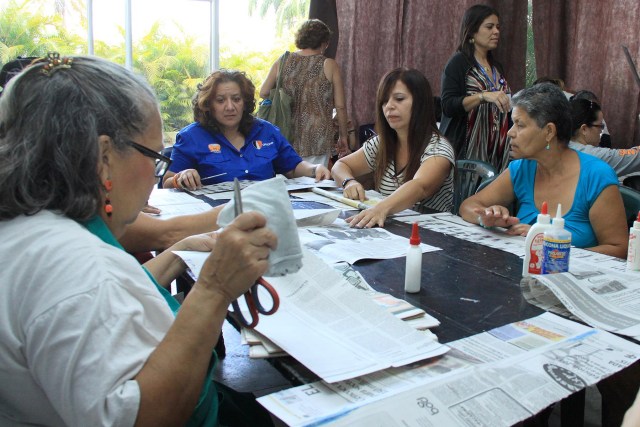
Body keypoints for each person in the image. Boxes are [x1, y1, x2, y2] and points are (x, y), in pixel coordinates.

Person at [0, 54, 277, 426]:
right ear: (103, 157)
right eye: (153, 155)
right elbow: (143, 418)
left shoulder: (35, 227)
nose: (154, 175)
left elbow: (101, 303)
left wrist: (179, 252)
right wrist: (213, 289)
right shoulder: (74, 266)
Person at [459, 83, 628, 259]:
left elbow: (619, 249)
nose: (510, 133)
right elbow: (468, 206)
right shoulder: (522, 168)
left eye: (520, 125)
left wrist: (551, 246)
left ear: (549, 131)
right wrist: (486, 217)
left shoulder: (596, 175)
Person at [163, 69, 330, 190]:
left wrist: (314, 169)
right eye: (220, 100)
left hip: (265, 212)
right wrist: (181, 177)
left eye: (236, 99)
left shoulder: (267, 131)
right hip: (214, 218)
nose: (230, 107)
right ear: (208, 105)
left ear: (245, 102)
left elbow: (293, 168)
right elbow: (167, 182)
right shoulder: (191, 137)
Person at [331, 68, 455, 228]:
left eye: (399, 99)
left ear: (420, 103)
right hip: (389, 229)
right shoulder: (382, 143)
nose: (389, 106)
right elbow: (340, 165)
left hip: (430, 238)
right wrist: (349, 182)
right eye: (384, 101)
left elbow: (420, 186)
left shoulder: (438, 149)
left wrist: (380, 209)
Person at [259, 18, 350, 167]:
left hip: (286, 133)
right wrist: (343, 136)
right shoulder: (329, 65)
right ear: (324, 42)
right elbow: (340, 106)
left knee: (287, 182)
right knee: (313, 181)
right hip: (318, 137)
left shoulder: (283, 61)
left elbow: (263, 92)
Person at [440, 4, 512, 172]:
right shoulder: (458, 63)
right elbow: (448, 105)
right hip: (466, 151)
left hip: (496, 149)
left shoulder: (497, 67)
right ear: (472, 31)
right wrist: (483, 96)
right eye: (489, 27)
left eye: (498, 27)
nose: (496, 32)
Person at [569, 98, 640, 181]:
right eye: (600, 126)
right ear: (584, 129)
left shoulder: (561, 145)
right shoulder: (591, 156)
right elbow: (634, 156)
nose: (602, 132)